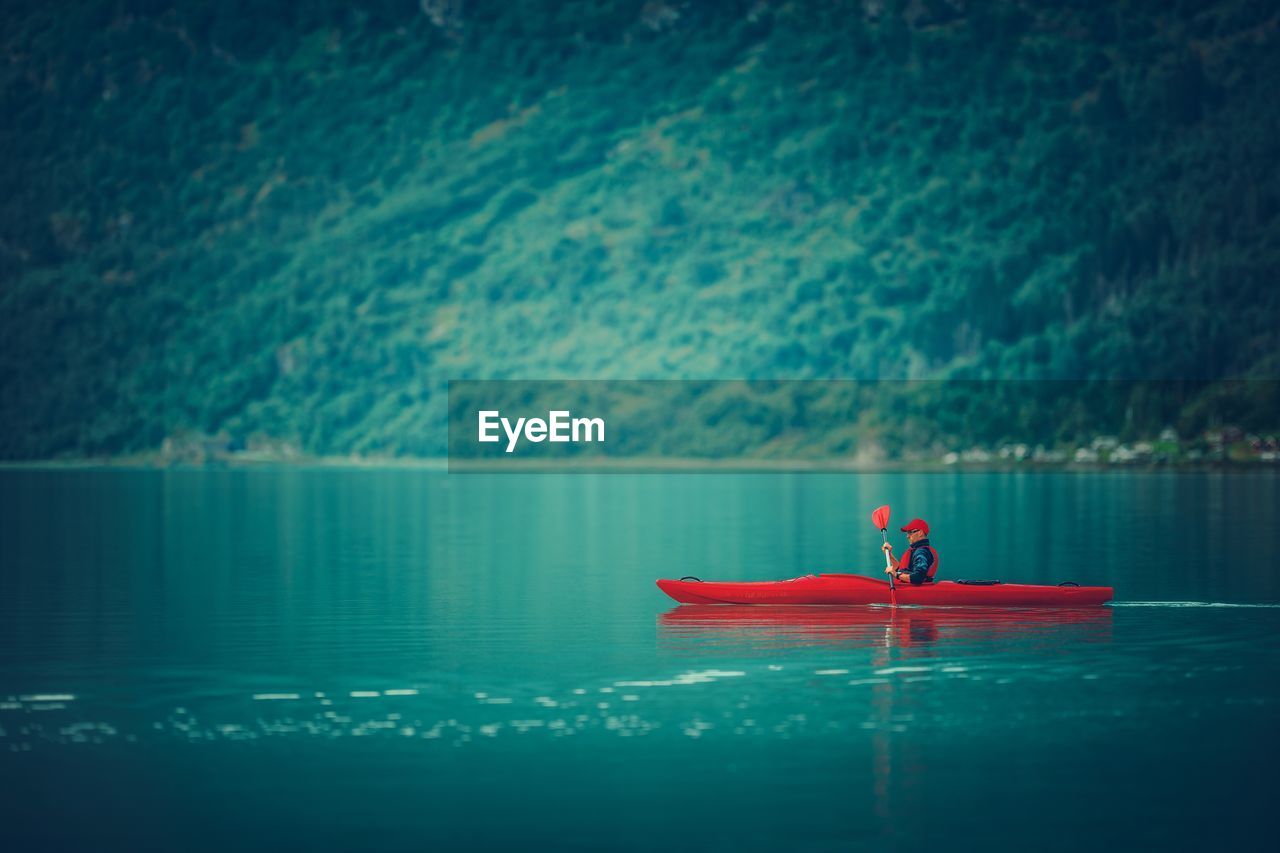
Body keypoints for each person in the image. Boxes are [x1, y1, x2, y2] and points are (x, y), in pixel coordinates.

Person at [881, 518, 939, 585]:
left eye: (910, 532)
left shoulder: (921, 552)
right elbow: (900, 569)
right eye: (907, 533)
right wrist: (889, 554)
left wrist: (896, 575)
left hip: (914, 590)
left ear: (920, 533)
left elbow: (918, 577)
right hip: (906, 587)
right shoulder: (917, 550)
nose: (907, 536)